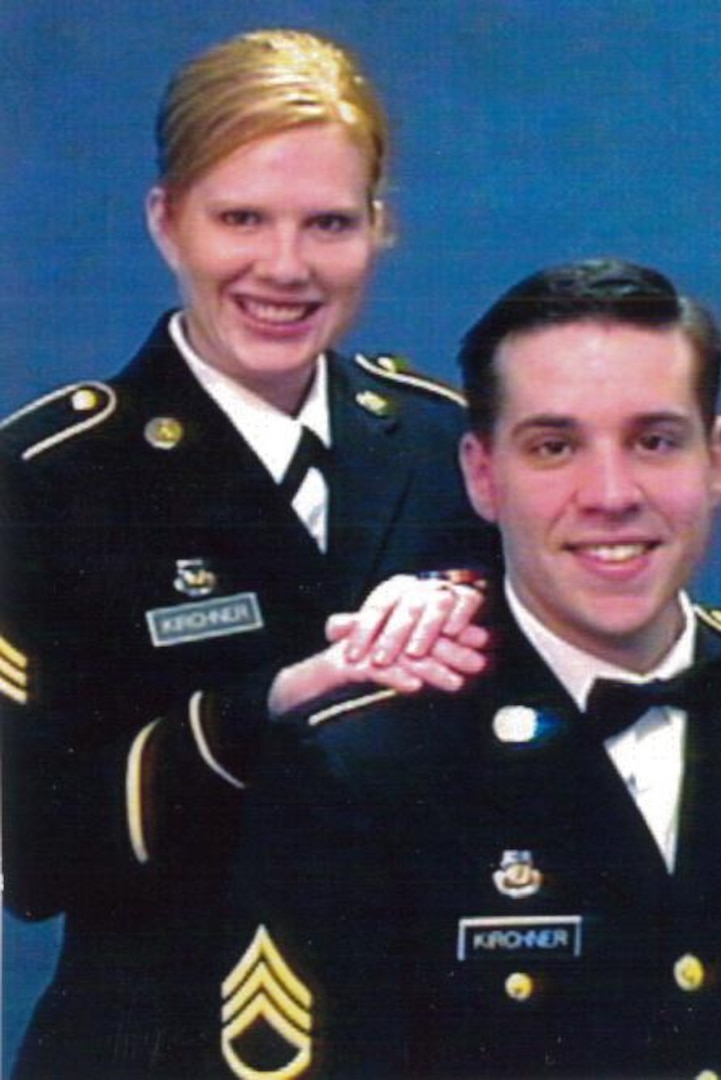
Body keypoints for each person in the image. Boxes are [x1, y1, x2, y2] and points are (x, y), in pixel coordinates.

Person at [0, 29, 497, 1079]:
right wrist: (277, 697)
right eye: (240, 219)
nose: (285, 266)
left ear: (378, 230)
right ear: (165, 221)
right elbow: (32, 857)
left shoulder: (452, 449)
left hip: (424, 1037)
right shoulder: (49, 478)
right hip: (159, 1041)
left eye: (327, 223)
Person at [226, 258, 721, 1079]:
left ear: (717, 460)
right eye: (554, 446)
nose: (610, 493)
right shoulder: (360, 770)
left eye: (654, 441)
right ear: (482, 475)